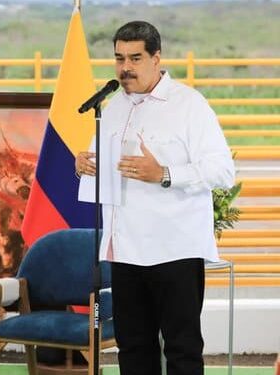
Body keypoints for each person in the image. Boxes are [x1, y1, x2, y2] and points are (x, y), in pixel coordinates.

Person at [75, 21, 235, 375]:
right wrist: (83, 164)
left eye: (134, 58)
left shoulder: (188, 104)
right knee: (133, 347)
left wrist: (163, 173)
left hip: (174, 249)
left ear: (156, 58)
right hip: (125, 250)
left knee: (182, 348)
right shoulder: (112, 106)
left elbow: (223, 170)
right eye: (119, 58)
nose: (125, 68)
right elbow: (104, 165)